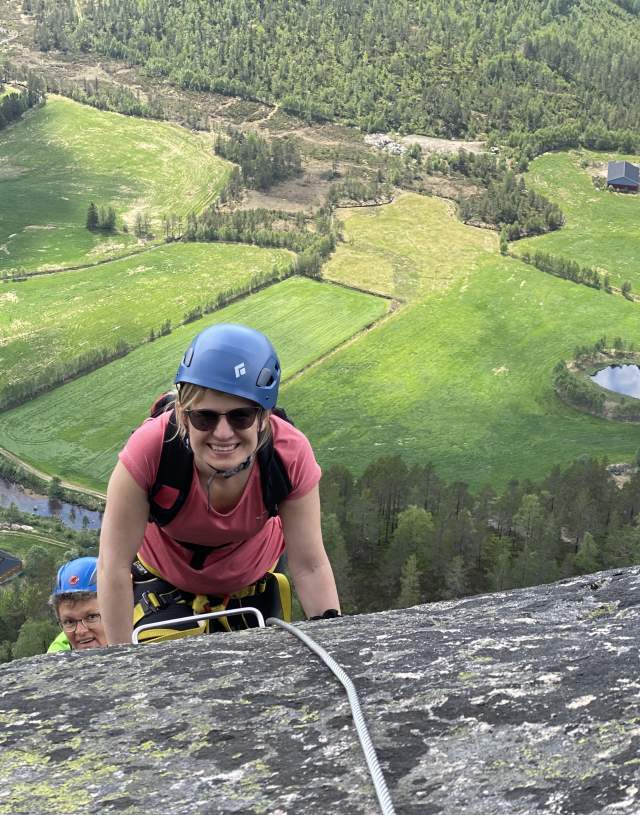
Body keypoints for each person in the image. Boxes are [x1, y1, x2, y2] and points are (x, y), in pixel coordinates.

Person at [98, 323, 340, 645]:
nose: (223, 433)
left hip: (253, 579)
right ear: (184, 415)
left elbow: (310, 565)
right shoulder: (151, 450)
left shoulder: (288, 455)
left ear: (263, 417)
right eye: (205, 417)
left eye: (240, 416)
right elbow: (113, 566)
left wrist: (334, 644)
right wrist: (120, 663)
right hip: (163, 581)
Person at [48, 556, 107, 652]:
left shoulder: (138, 636)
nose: (80, 631)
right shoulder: (57, 655)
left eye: (91, 617)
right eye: (69, 622)